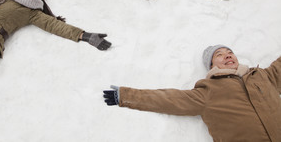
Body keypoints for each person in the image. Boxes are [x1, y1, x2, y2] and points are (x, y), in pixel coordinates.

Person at [103, 45, 281, 141]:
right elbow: (168, 99)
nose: (227, 55)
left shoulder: (263, 76)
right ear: (212, 66)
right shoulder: (208, 91)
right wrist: (126, 96)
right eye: (219, 54)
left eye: (230, 52)